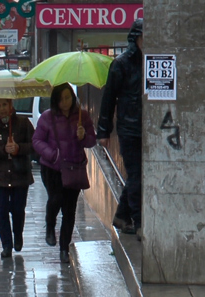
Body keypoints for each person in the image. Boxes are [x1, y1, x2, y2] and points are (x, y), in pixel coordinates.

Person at [32, 84, 97, 264]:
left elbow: (92, 141)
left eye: (68, 98)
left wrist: (83, 136)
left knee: (70, 209)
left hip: (74, 167)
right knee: (56, 199)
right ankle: (50, 225)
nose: (65, 102)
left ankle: (64, 248)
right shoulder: (47, 117)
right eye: (61, 99)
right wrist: (52, 154)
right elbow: (36, 140)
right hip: (52, 168)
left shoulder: (82, 116)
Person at [97, 18, 143, 238]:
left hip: (146, 128)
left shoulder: (152, 61)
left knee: (138, 174)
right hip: (129, 128)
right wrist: (103, 132)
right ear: (136, 39)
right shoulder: (121, 64)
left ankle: (123, 215)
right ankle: (138, 219)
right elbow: (108, 99)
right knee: (136, 174)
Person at [0, 98, 34, 259]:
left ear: (11, 105)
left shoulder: (23, 123)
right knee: (1, 210)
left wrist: (19, 149)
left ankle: (18, 234)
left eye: (5, 104)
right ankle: (6, 245)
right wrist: (3, 150)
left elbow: (34, 144)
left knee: (18, 209)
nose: (2, 108)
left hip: (19, 175)